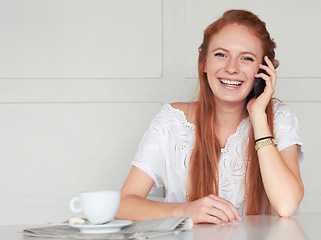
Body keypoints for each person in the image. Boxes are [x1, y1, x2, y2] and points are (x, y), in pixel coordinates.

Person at [116, 9, 304, 224]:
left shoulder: (279, 118)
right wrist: (187, 211)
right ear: (205, 63)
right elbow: (123, 205)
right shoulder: (172, 120)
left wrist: (258, 116)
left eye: (246, 58)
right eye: (221, 55)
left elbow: (287, 205)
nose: (231, 68)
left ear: (263, 70)